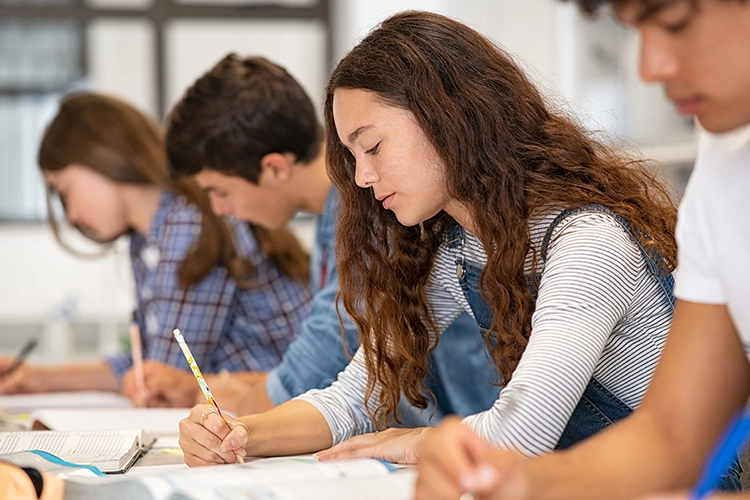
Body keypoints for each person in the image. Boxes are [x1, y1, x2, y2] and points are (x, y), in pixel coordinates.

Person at [177, 11, 682, 468]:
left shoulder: (586, 241)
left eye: (372, 146)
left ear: (450, 119)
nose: (361, 177)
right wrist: (240, 434)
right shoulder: (460, 250)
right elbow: (355, 394)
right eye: (353, 158)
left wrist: (411, 441)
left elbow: (523, 431)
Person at [415, 0, 750, 499]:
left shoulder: (587, 237)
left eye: (677, 21)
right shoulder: (725, 175)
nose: (649, 67)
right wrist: (517, 481)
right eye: (636, 31)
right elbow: (669, 437)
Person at [157, 53, 501, 421]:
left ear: (274, 167)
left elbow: (323, 358)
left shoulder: (372, 210)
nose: (220, 209)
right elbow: (340, 370)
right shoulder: (333, 215)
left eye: (219, 191)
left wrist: (238, 405)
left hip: (465, 435)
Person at [0, 92, 312, 405]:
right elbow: (148, 360)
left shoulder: (189, 225)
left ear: (101, 156)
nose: (71, 214)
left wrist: (140, 379)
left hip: (285, 407)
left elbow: (163, 377)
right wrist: (38, 377)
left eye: (65, 190)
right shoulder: (147, 238)